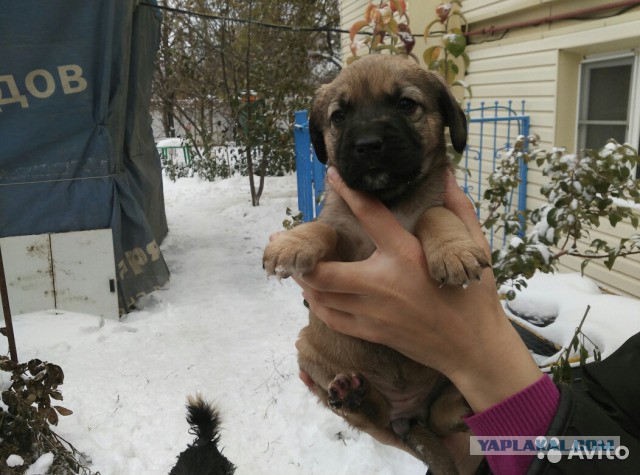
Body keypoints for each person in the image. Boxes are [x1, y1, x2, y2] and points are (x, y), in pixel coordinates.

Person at [290, 166, 640, 474]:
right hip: (382, 387)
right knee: (308, 352)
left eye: (407, 104)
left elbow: (605, 445)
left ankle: (432, 409)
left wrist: (482, 358)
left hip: (434, 392)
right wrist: (471, 455)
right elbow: (606, 439)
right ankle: (383, 406)